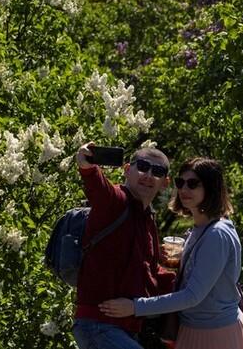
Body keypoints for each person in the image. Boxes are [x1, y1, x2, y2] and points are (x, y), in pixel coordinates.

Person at [98, 158, 243, 349]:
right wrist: (183, 263)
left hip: (217, 334)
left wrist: (135, 307)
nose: (184, 189)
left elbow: (192, 296)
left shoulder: (217, 234)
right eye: (180, 182)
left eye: (192, 184)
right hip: (194, 330)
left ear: (211, 187)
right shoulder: (201, 228)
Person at [73, 142, 177, 349]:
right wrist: (87, 167)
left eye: (157, 171)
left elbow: (151, 273)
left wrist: (190, 276)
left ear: (165, 183)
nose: (148, 175)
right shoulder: (116, 201)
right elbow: (99, 189)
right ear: (127, 170)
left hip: (126, 329)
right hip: (98, 325)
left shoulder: (148, 220)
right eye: (142, 167)